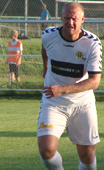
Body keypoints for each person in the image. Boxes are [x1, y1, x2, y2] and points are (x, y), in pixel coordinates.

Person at [38, 2, 102, 170]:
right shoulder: (48, 35)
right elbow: (45, 49)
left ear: (82, 19)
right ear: (61, 18)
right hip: (53, 103)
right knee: (46, 150)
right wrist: (45, 67)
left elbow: (95, 81)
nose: (70, 23)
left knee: (87, 156)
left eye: (74, 19)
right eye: (67, 18)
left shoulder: (92, 44)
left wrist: (62, 89)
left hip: (82, 105)